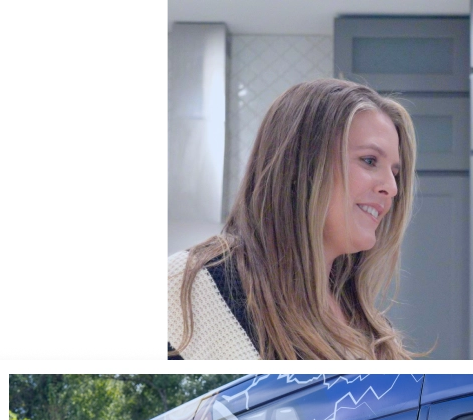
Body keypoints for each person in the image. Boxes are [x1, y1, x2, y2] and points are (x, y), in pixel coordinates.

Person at [167, 79, 417, 360]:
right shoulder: (180, 284)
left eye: (395, 172)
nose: (391, 188)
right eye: (370, 160)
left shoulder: (372, 330)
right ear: (302, 164)